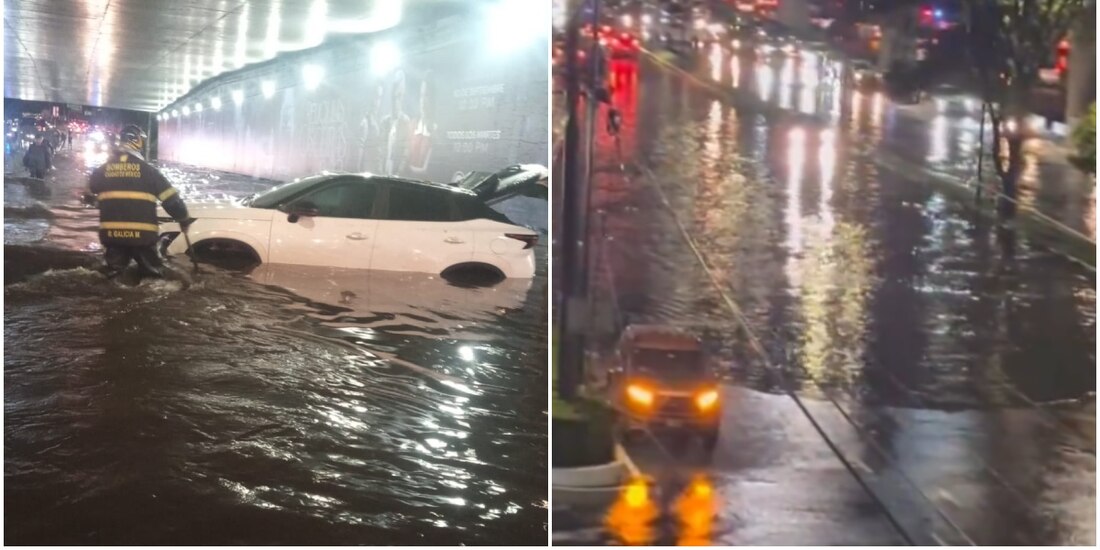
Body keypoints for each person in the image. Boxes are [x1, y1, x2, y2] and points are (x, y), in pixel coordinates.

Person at [86, 124, 194, 281]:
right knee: (153, 279)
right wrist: (184, 219)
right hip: (142, 237)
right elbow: (172, 201)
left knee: (111, 276)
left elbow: (89, 193)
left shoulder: (101, 171)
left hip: (112, 235)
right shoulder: (149, 172)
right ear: (135, 141)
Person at [381, 70, 412, 176]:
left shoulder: (405, 122)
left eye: (398, 97)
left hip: (396, 176)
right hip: (383, 173)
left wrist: (398, 174)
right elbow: (379, 150)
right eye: (393, 97)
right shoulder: (385, 122)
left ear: (402, 97)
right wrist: (380, 171)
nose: (396, 101)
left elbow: (406, 153)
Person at [404, 73, 435, 176]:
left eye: (427, 96)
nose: (423, 101)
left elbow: (425, 171)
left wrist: (404, 169)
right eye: (421, 95)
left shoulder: (436, 131)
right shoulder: (411, 125)